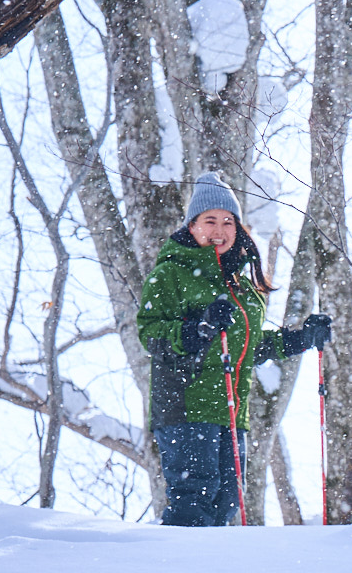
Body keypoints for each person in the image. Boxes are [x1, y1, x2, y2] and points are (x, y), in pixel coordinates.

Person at [137, 172, 334, 526]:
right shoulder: (170, 273)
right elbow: (151, 334)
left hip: (230, 411)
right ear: (192, 226)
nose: (219, 229)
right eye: (209, 220)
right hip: (186, 408)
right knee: (194, 496)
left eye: (228, 221)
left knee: (227, 500)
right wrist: (198, 329)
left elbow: (249, 348)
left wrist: (301, 338)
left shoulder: (243, 286)